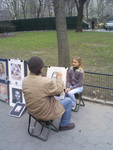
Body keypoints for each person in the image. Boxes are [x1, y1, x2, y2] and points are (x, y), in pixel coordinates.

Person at [22, 56, 75, 131]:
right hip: (45, 113)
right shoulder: (45, 82)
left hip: (32, 111)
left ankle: (46, 121)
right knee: (69, 101)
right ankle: (64, 124)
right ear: (41, 68)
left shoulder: (25, 80)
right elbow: (59, 90)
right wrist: (59, 78)